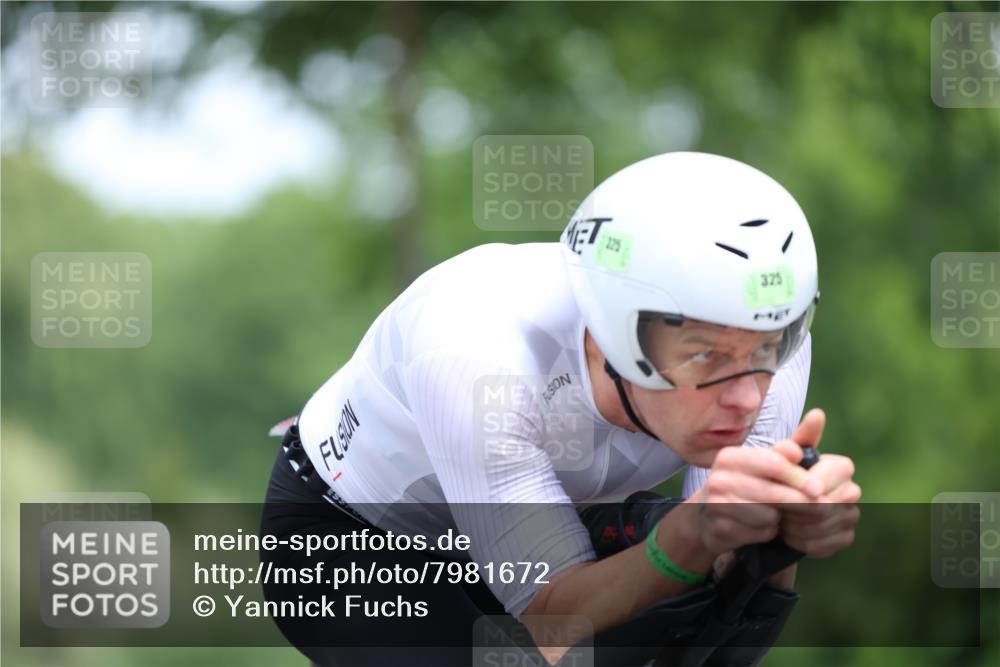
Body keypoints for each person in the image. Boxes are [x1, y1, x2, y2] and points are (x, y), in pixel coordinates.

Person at [259, 151, 862, 666]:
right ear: (613, 334)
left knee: (715, 567)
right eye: (706, 355)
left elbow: (732, 602)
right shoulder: (476, 349)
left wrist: (783, 534)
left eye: (767, 347)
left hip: (537, 511)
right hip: (354, 540)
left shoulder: (770, 340)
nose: (747, 397)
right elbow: (551, 622)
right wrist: (692, 534)